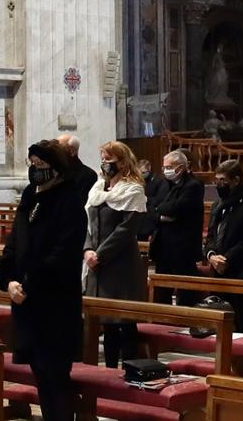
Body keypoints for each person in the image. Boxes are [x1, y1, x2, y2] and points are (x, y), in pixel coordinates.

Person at [0, 141, 88, 421]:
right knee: (39, 372)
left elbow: (63, 253)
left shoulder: (69, 201)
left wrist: (29, 284)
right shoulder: (30, 196)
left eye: (41, 166)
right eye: (32, 164)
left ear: (57, 169)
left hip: (55, 301)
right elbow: (14, 242)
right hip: (25, 301)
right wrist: (9, 280)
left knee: (55, 374)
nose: (35, 170)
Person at [84, 140, 149, 367]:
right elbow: (88, 224)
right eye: (102, 159)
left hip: (120, 264)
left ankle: (129, 372)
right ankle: (108, 371)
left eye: (109, 159)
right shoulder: (98, 188)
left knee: (124, 321)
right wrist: (88, 249)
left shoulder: (133, 189)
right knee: (106, 323)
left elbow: (126, 229)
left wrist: (99, 254)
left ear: (122, 163)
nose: (104, 163)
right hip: (96, 264)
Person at [201, 159, 243, 332]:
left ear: (236, 180)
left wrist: (227, 259)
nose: (219, 185)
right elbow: (211, 234)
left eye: (223, 181)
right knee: (220, 323)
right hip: (218, 270)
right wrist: (211, 255)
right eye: (217, 180)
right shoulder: (217, 204)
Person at [151, 149, 203, 304]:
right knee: (162, 290)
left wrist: (160, 210)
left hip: (183, 246)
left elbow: (177, 208)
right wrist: (160, 213)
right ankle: (163, 321)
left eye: (169, 167)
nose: (166, 171)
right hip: (163, 245)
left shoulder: (193, 185)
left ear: (180, 167)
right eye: (164, 167)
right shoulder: (164, 184)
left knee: (186, 291)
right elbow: (152, 207)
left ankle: (186, 323)